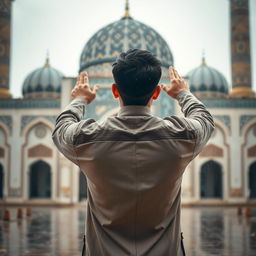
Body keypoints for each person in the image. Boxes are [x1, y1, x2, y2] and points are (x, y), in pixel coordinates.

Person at [52, 49, 215, 256]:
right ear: (156, 93)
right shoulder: (182, 137)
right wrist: (183, 93)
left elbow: (61, 129)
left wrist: (79, 100)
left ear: (114, 90)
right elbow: (205, 120)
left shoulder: (87, 139)